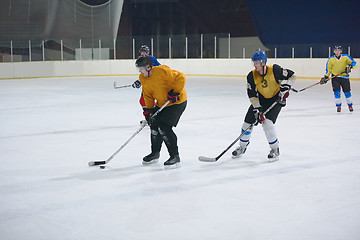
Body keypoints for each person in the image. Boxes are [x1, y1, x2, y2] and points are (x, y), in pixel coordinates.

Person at [232, 51, 296, 162]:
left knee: (267, 123)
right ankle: (242, 147)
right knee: (247, 124)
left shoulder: (275, 70)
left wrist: (286, 87)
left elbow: (292, 76)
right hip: (260, 101)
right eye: (254, 63)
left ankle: (275, 149)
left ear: (263, 62)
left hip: (275, 100)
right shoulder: (251, 75)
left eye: (256, 63)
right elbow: (251, 94)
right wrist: (257, 108)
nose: (255, 65)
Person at [135, 55, 187, 169]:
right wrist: (148, 111)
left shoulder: (162, 71)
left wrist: (176, 92)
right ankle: (155, 153)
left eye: (141, 69)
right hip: (162, 103)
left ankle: (175, 157)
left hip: (177, 102)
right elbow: (147, 95)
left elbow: (181, 77)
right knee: (153, 125)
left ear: (148, 67)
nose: (140, 71)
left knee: (164, 127)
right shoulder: (143, 78)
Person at [320, 46, 357, 112]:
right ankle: (338, 106)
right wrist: (326, 77)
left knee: (347, 92)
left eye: (338, 50)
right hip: (335, 78)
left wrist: (350, 67)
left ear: (341, 51)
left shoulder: (345, 57)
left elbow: (354, 63)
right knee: (337, 93)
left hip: (345, 78)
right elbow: (328, 70)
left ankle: (350, 105)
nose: (337, 52)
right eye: (336, 51)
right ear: (334, 51)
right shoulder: (331, 59)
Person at [132, 45, 161, 122]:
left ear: (148, 52)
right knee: (143, 101)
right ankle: (150, 117)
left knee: (147, 100)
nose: (143, 53)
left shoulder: (151, 59)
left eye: (144, 52)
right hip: (147, 84)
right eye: (141, 52)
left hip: (153, 84)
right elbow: (143, 73)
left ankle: (154, 117)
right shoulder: (141, 60)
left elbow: (160, 69)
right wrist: (139, 81)